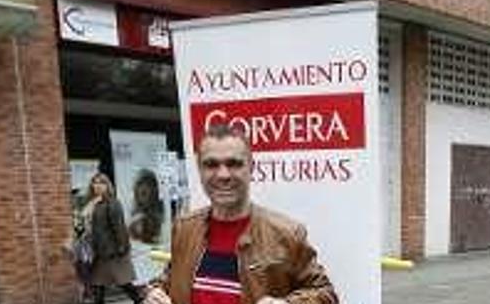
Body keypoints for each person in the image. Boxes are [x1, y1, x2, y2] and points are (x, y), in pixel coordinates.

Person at [145, 123, 338, 304]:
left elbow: (325, 293)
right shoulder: (184, 227)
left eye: (234, 164)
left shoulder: (287, 233)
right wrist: (155, 291)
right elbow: (171, 276)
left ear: (251, 168)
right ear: (200, 170)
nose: (223, 175)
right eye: (211, 164)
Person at [84, 173, 143, 304]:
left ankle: (143, 301)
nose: (97, 186)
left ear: (107, 185)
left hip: (114, 253)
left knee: (125, 285)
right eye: (95, 183)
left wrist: (122, 248)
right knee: (98, 288)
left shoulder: (112, 203)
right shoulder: (94, 204)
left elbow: (119, 227)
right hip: (100, 255)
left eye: (101, 183)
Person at [128, 169, 166, 287]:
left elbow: (163, 252)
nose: (143, 191)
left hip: (155, 270)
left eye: (147, 187)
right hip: (143, 271)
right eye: (140, 188)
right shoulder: (135, 217)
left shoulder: (162, 217)